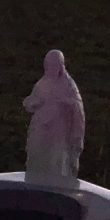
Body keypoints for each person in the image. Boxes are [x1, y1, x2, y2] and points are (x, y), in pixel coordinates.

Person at [23, 49, 85, 184]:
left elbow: (77, 105)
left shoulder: (68, 85)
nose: (50, 69)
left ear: (60, 66)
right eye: (48, 65)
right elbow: (31, 100)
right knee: (37, 159)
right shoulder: (42, 84)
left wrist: (66, 102)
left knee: (56, 163)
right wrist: (33, 103)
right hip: (41, 128)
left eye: (53, 65)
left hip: (58, 131)